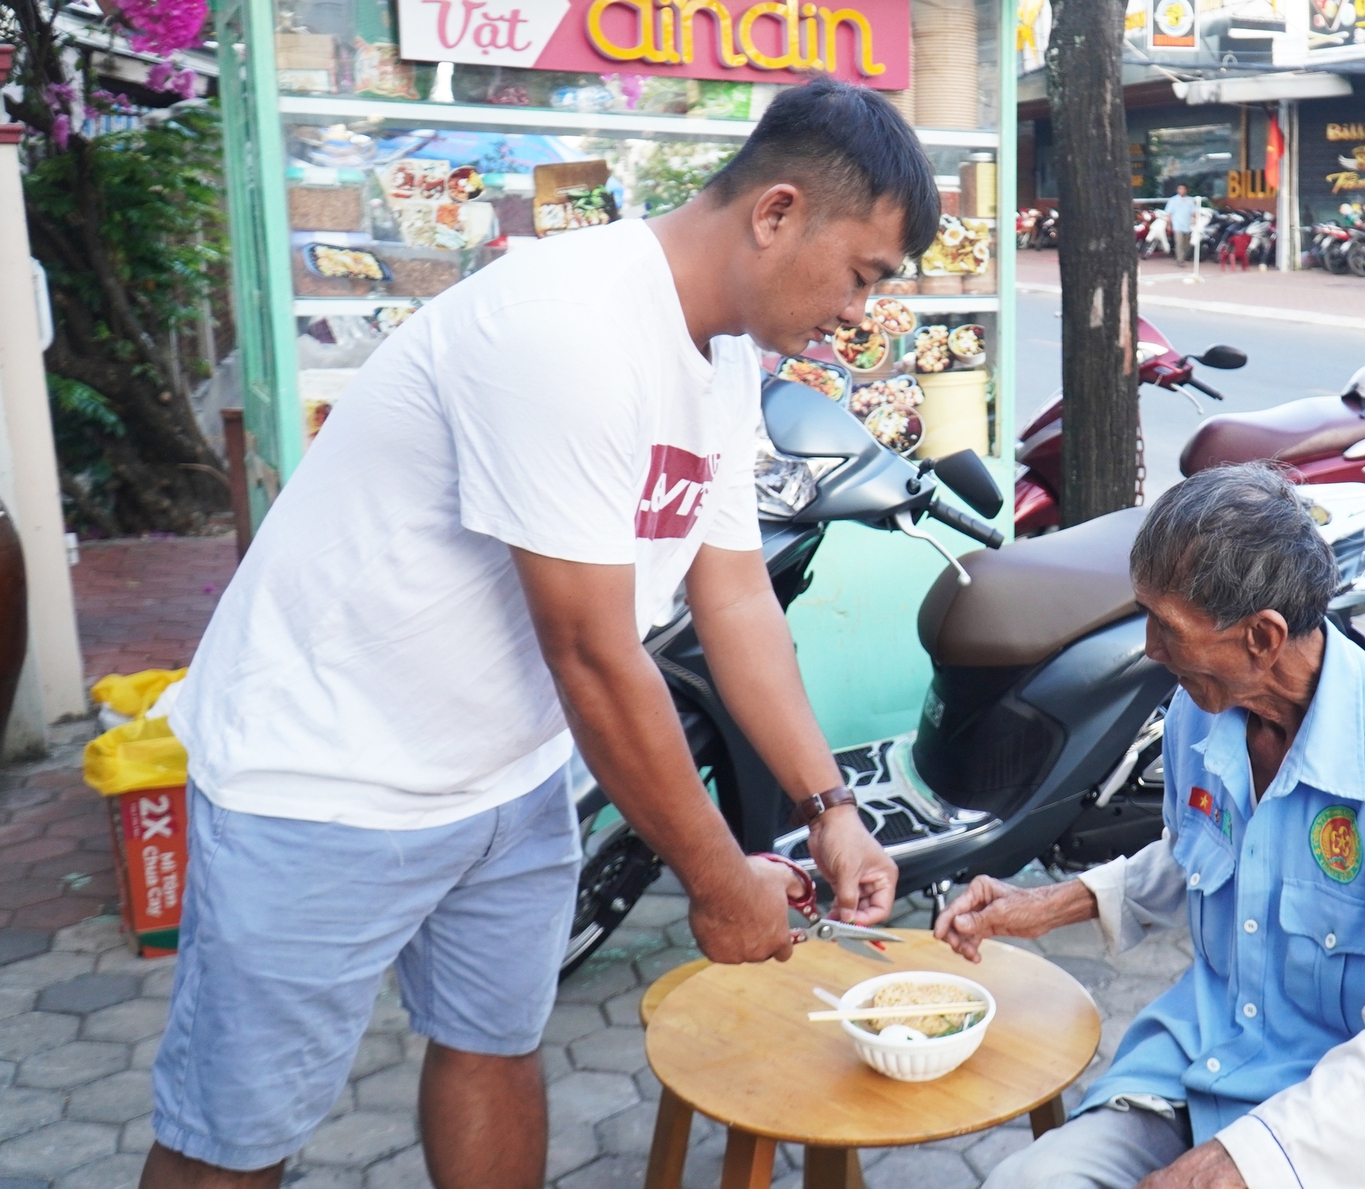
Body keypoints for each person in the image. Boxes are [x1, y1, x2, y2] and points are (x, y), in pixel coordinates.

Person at [144, 78, 932, 1189]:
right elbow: (592, 653)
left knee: (493, 1045)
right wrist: (714, 877)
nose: (859, 311)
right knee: (235, 1135)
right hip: (321, 776)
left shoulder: (725, 354)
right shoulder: (563, 328)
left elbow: (735, 593)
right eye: (862, 274)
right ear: (776, 212)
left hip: (504, 779)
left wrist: (829, 809)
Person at [933, 463, 1365, 1189]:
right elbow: (1202, 854)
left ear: (1262, 636)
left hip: (1352, 1129)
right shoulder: (1201, 713)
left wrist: (1239, 1162)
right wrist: (1049, 904)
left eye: (1167, 626)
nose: (1148, 647)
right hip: (1201, 1065)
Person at [1164, 184, 1199, 266]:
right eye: (1180, 189)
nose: (1181, 190)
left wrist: (1195, 220)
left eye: (1183, 189)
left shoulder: (1190, 200)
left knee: (1186, 243)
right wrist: (1168, 224)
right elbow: (1168, 213)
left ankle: (1182, 257)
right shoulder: (1173, 200)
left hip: (1187, 225)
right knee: (1179, 243)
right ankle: (1180, 260)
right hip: (1177, 225)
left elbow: (1193, 212)